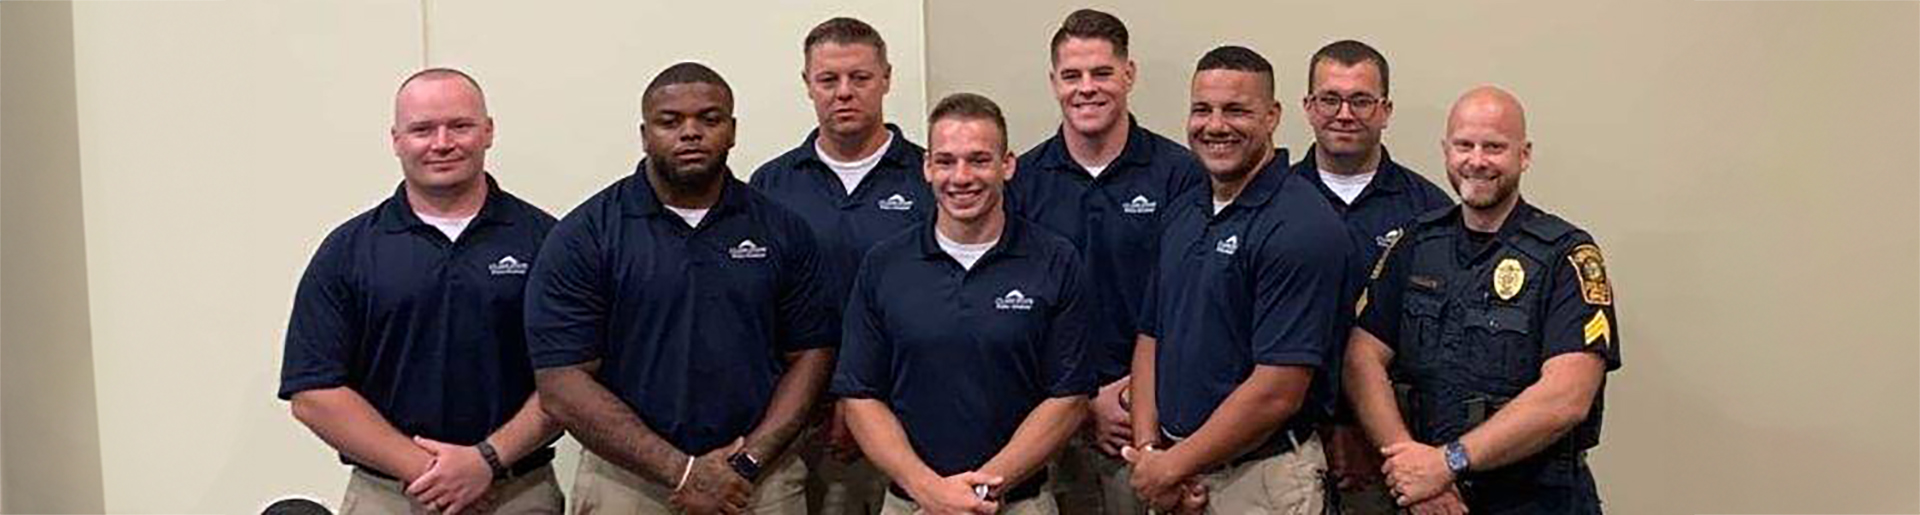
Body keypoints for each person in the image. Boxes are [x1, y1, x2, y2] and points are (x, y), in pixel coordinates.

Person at [524, 62, 834, 515]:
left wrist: (748, 461)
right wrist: (681, 470)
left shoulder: (782, 230)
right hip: (626, 483)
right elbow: (561, 382)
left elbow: (812, 355)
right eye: (670, 121)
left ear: (732, 130)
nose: (691, 133)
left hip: (758, 480)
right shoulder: (586, 235)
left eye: (709, 119)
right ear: (645, 133)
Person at [281, 68, 563, 515]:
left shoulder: (549, 243)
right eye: (422, 129)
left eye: (460, 125)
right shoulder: (348, 250)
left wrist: (485, 461)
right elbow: (313, 392)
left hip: (518, 495)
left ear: (488, 131)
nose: (442, 142)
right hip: (389, 497)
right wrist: (431, 472)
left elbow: (575, 377)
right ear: (396, 139)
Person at [1344, 86, 1622, 515]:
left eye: (1494, 147)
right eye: (1464, 145)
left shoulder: (1567, 255)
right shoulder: (1417, 244)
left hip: (1534, 500)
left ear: (1523, 155)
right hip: (1428, 501)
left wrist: (1447, 462)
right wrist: (1411, 466)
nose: (1477, 160)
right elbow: (1361, 357)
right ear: (1446, 151)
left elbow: (1566, 396)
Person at [832, 93, 1094, 515]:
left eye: (978, 160)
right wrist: (929, 490)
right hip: (911, 504)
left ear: (1007, 165)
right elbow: (861, 396)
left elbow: (1069, 398)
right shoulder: (884, 264)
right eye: (946, 160)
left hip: (1019, 503)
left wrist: (979, 492)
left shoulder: (1056, 260)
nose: (961, 176)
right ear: (927, 167)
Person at [1126, 45, 1353, 514]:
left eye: (1236, 110)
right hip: (1176, 476)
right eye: (1202, 110)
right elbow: (1152, 337)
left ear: (1272, 116)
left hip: (1261, 481)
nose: (1215, 126)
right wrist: (1152, 452)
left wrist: (1172, 468)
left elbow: (1277, 390)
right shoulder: (1183, 212)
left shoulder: (1302, 225)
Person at [1008, 11, 1203, 513]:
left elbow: (1187, 299)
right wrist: (1081, 400)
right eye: (1072, 76)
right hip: (1046, 422)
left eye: (1101, 73)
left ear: (1129, 74)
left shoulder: (1180, 175)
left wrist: (1132, 394)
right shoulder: (1022, 182)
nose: (1086, 89)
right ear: (1054, 82)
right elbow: (1013, 307)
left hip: (1145, 420)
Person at [748, 17, 930, 514]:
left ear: (887, 79)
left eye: (860, 78)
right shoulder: (771, 185)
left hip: (906, 419)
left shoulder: (930, 178)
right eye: (829, 80)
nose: (844, 93)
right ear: (808, 85)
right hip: (795, 423)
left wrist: (865, 404)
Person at [1289, 39, 1453, 515]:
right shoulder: (1273, 202)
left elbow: (1437, 344)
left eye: (1361, 100)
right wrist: (1328, 427)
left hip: (1396, 445)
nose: (1345, 113)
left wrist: (1371, 436)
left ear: (1386, 110)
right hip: (1289, 441)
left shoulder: (1430, 212)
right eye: (1329, 99)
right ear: (1308, 107)